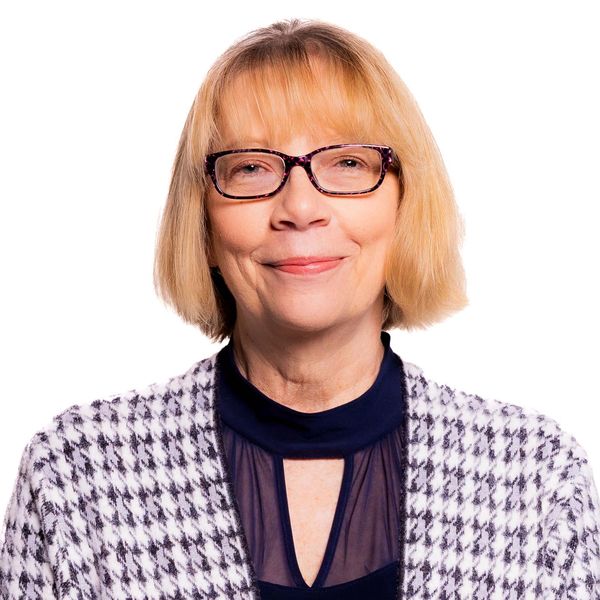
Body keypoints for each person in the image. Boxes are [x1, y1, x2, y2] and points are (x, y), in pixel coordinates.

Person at [1, 17, 599, 600]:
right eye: (251, 167)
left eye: (347, 163)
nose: (301, 208)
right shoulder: (77, 478)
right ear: (203, 225)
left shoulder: (535, 481)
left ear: (406, 206)